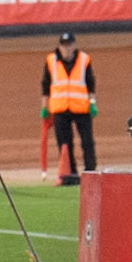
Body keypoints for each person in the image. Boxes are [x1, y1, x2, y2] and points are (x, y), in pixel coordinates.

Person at [41, 31, 98, 186]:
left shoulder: (84, 60)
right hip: (60, 108)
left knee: (87, 142)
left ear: (74, 45)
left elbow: (91, 84)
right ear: (60, 47)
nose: (67, 48)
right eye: (64, 45)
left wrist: (93, 103)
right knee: (65, 144)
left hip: (81, 108)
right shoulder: (51, 61)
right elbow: (45, 86)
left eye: (69, 45)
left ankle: (90, 171)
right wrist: (44, 108)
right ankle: (70, 173)